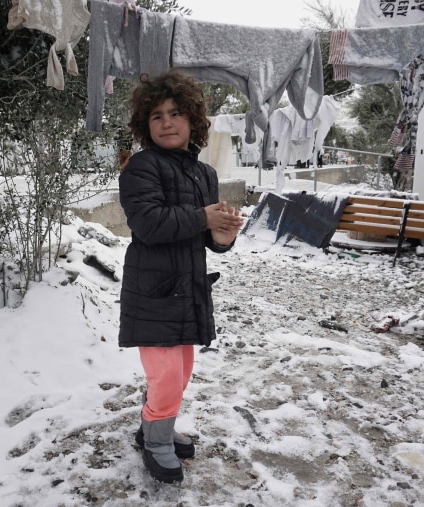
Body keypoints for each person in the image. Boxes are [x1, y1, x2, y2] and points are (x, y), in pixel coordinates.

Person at [118, 69, 244, 484]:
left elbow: (204, 237)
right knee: (167, 374)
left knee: (181, 371)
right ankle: (155, 442)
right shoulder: (141, 167)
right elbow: (150, 223)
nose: (167, 122)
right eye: (156, 115)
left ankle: (156, 428)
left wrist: (221, 236)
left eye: (175, 113)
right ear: (145, 124)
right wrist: (202, 217)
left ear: (193, 120)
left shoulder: (204, 175)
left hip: (187, 290)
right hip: (152, 291)